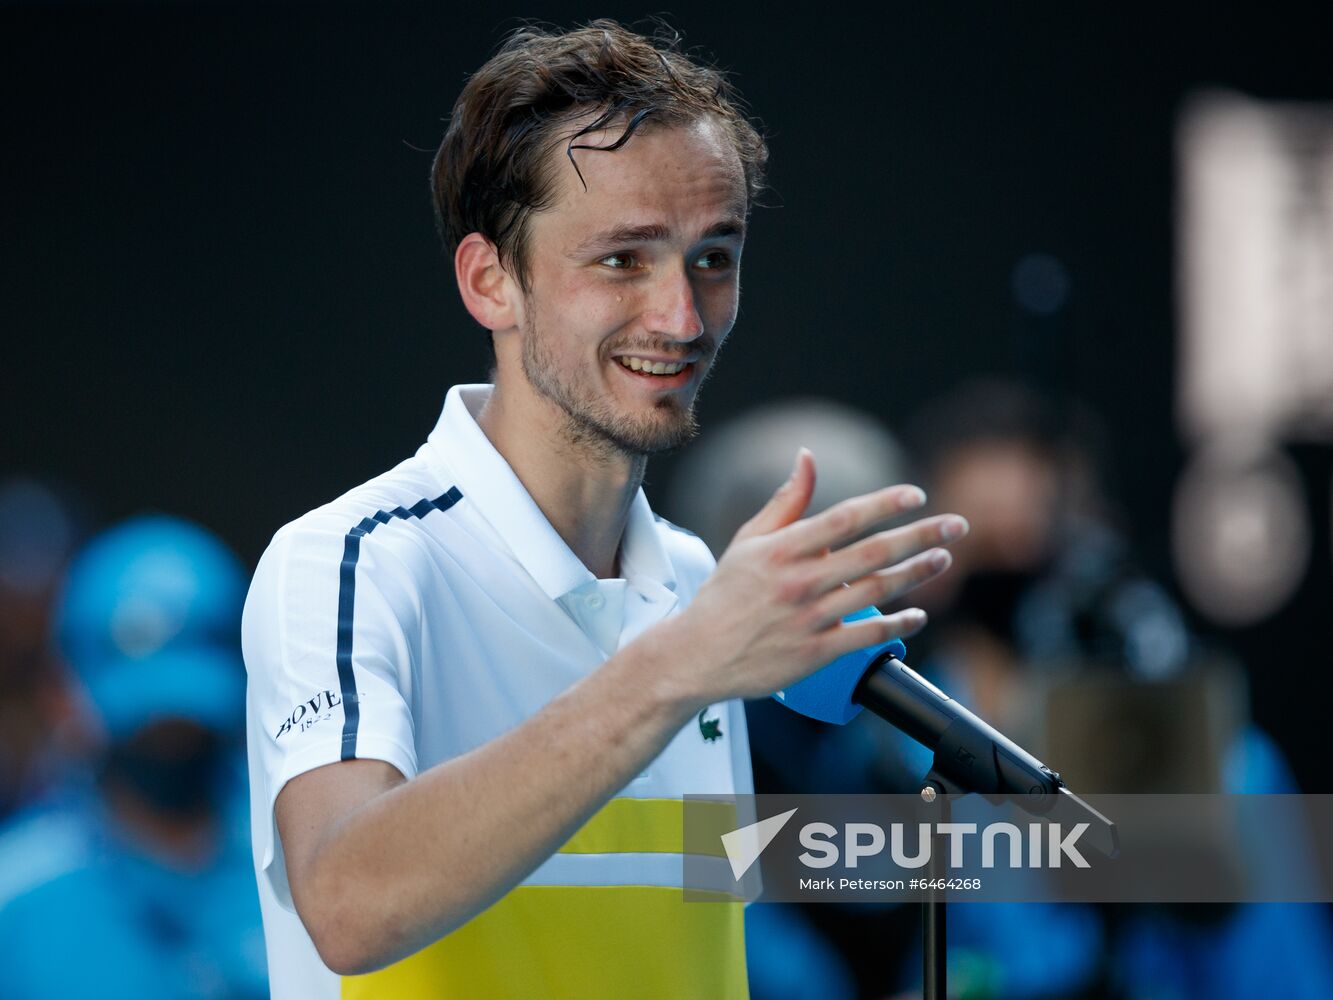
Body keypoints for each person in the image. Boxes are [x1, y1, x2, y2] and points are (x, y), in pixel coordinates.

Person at [242, 20, 968, 1000]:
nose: (681, 317)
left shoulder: (703, 588)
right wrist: (679, 663)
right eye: (623, 260)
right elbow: (346, 898)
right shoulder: (349, 559)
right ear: (490, 280)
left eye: (714, 256)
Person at [0, 515, 267, 1000]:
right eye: (144, 723)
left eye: (186, 720)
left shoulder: (306, 864)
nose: (168, 735)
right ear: (60, 697)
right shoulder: (16, 900)